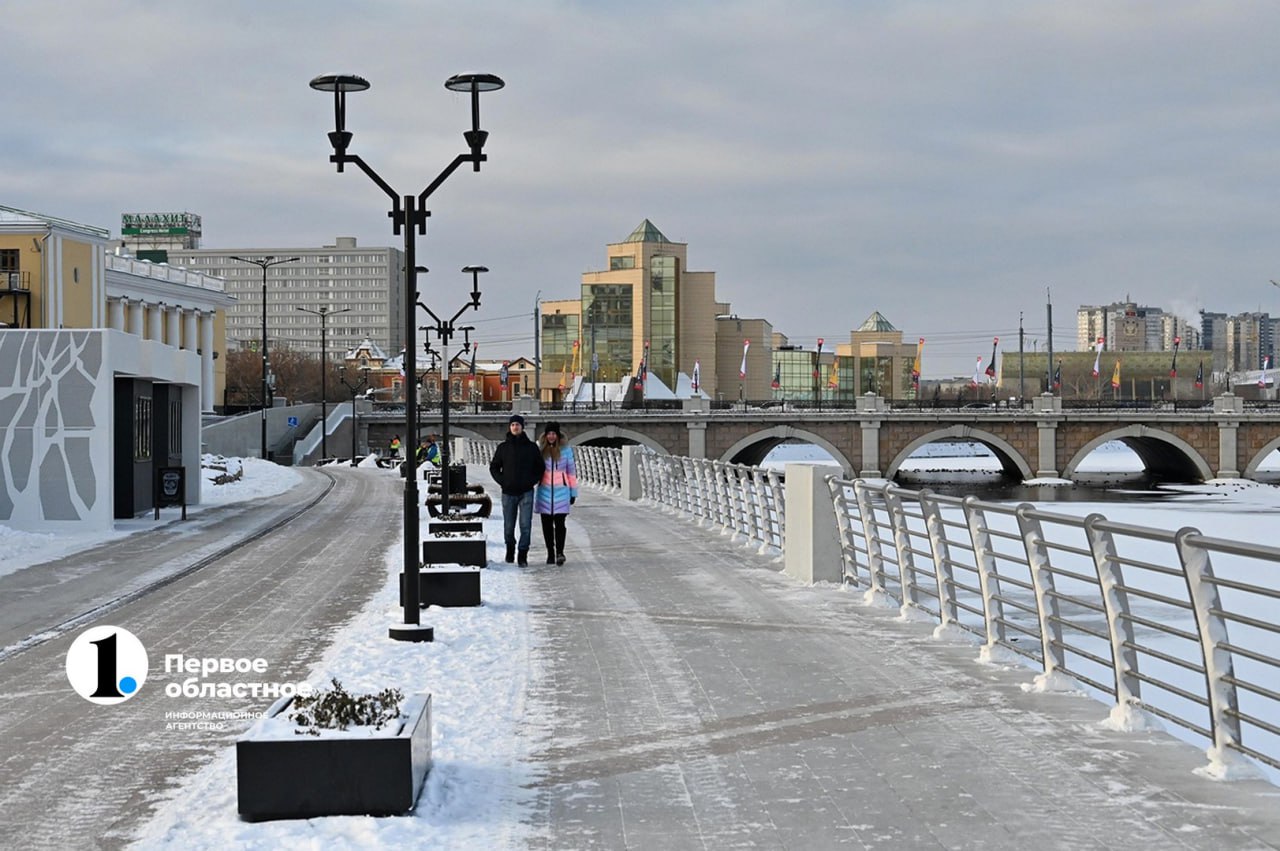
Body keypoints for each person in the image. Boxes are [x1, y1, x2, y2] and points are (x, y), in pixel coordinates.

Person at [488, 414, 543, 566]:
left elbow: (540, 468)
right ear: (510, 427)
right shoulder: (503, 448)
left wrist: (531, 481)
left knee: (525, 525)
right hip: (508, 492)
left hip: (526, 492)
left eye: (517, 425)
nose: (515, 427)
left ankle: (523, 554)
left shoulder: (532, 447)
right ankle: (510, 549)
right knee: (508, 526)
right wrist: (503, 481)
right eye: (512, 425)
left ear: (522, 427)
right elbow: (494, 467)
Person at [534, 421, 578, 565]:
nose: (551, 436)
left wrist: (573, 492)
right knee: (546, 526)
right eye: (549, 434)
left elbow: (571, 472)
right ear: (545, 436)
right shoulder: (540, 450)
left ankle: (560, 552)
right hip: (544, 492)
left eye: (554, 434)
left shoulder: (566, 450)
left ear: (558, 436)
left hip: (562, 492)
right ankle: (550, 553)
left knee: (560, 524)